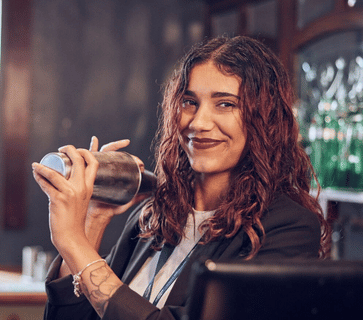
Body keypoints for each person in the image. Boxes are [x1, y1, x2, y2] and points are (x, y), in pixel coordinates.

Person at [31, 35, 331, 320]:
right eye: (190, 102)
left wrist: (71, 241)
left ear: (265, 119)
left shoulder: (289, 228)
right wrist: (92, 222)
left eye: (225, 104)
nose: (198, 122)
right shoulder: (152, 216)